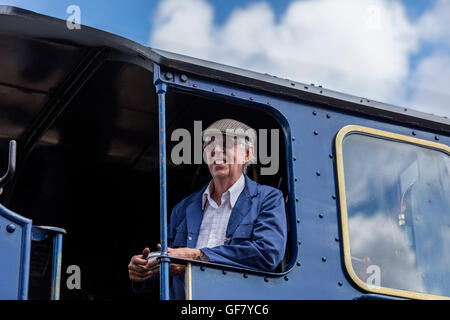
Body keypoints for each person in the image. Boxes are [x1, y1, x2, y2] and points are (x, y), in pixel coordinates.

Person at [128, 118, 287, 299]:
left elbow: (267, 254)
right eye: (209, 145)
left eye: (226, 143)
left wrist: (198, 256)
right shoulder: (183, 208)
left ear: (247, 154)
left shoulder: (268, 198)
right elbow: (169, 275)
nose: (216, 150)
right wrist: (144, 272)